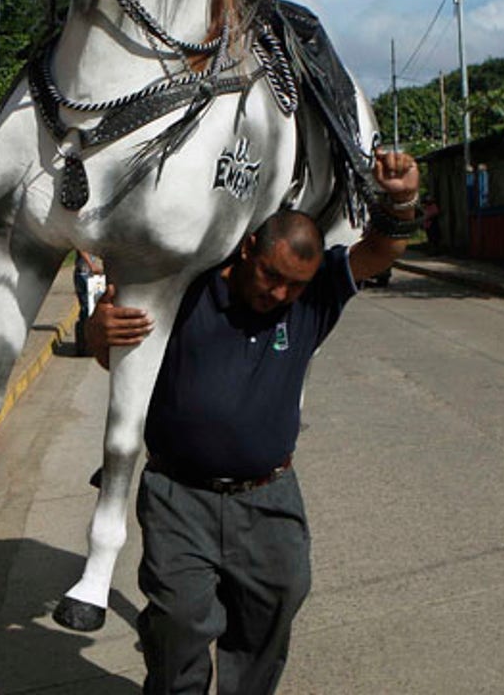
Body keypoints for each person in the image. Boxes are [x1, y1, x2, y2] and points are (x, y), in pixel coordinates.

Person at [88, 151, 422, 695]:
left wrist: (401, 198)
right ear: (247, 250)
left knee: (278, 604)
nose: (278, 294)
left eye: (294, 285)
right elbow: (111, 356)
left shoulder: (312, 300)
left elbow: (381, 251)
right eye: (270, 276)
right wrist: (99, 331)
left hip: (269, 497)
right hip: (179, 495)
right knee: (180, 622)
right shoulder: (186, 289)